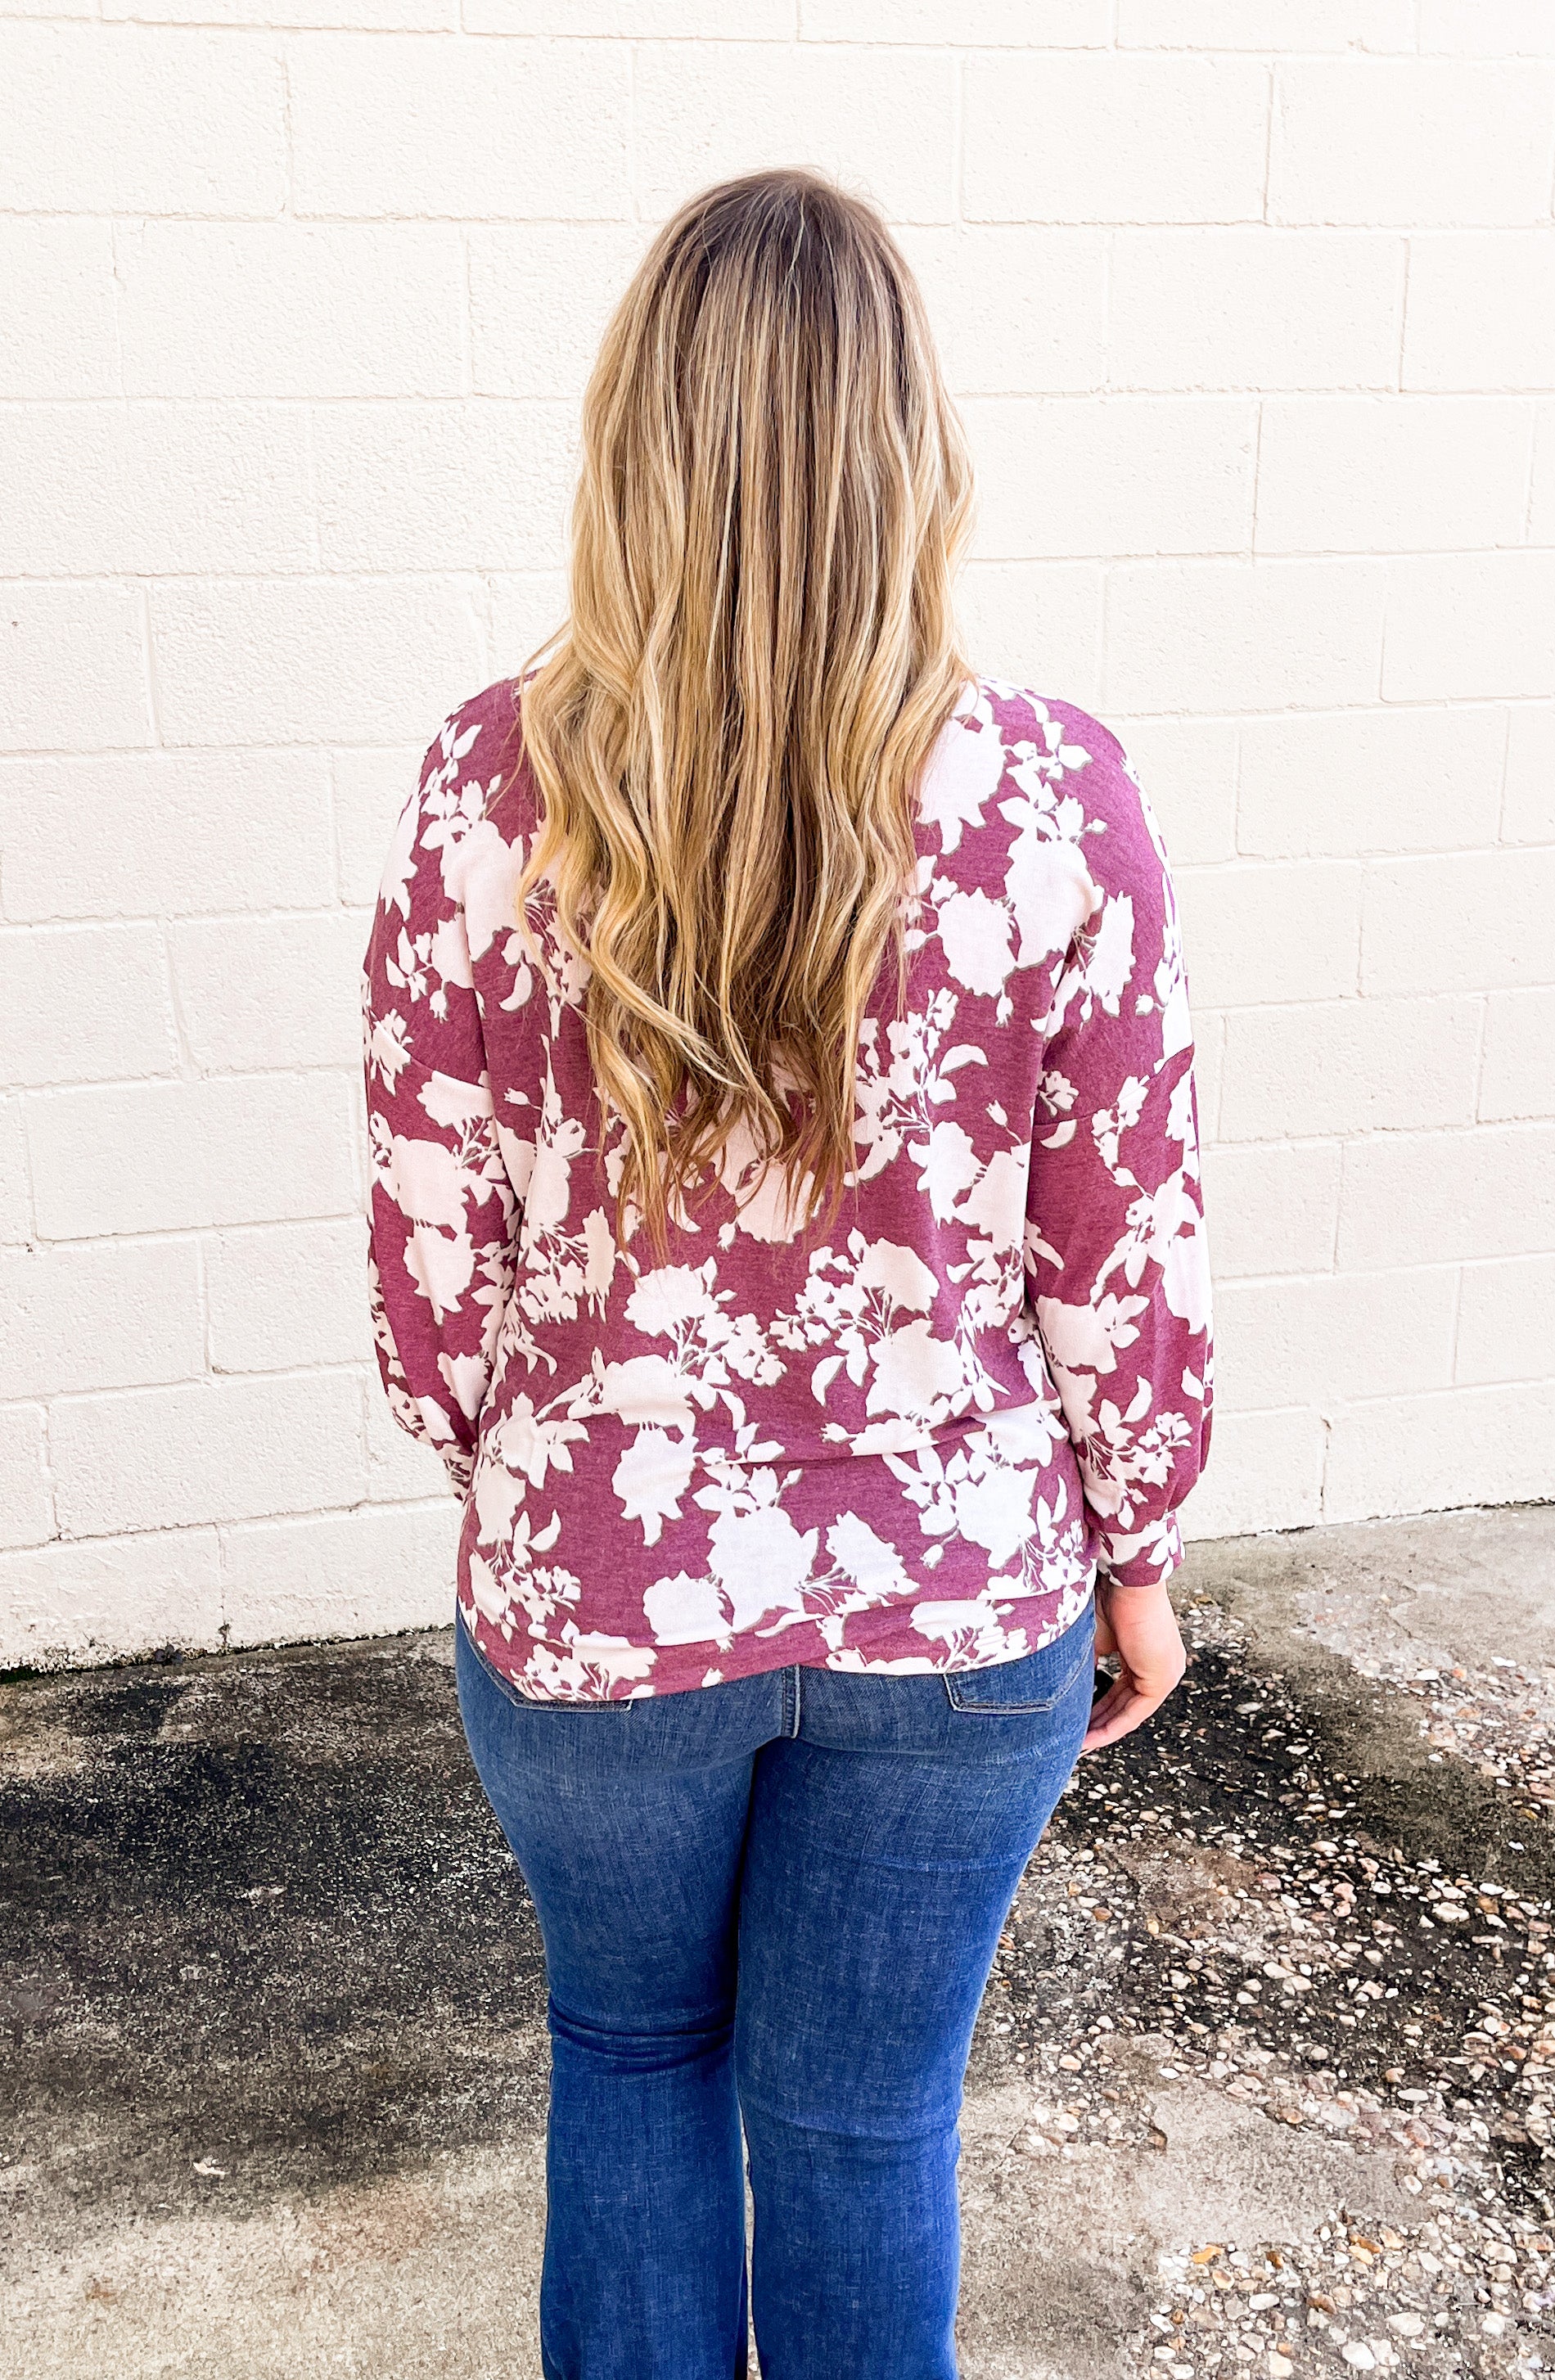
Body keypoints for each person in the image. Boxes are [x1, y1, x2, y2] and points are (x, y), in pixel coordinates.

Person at [361, 166, 1212, 2380]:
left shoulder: (486, 784)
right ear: (910, 453)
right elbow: (1124, 1250)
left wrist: (516, 1471)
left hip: (593, 1603)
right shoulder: (1057, 799)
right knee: (856, 2117)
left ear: (628, 437)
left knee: (633, 2059)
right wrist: (1134, 1550)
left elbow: (423, 1268)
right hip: (954, 1607)